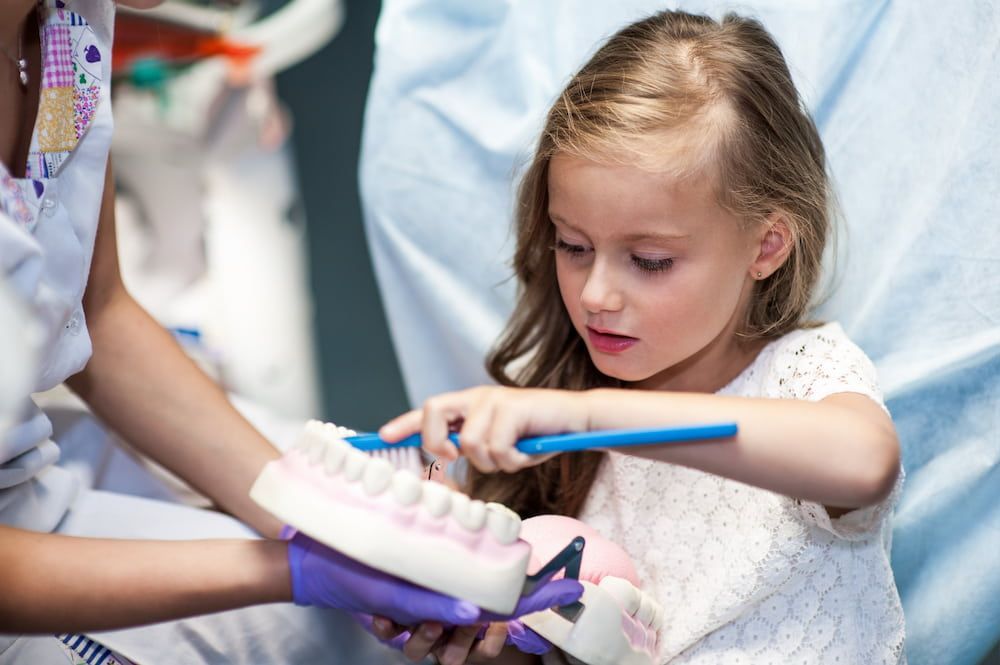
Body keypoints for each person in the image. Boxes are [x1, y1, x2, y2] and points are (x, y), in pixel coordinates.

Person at [0, 1, 577, 663]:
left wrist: (322, 519)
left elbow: (96, 311)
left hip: (35, 474)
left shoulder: (69, 24)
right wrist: (295, 571)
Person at [377, 9, 906, 664]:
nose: (596, 294)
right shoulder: (569, 439)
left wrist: (586, 415)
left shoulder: (802, 374)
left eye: (650, 260)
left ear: (766, 244)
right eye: (572, 245)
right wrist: (481, 628)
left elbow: (867, 463)